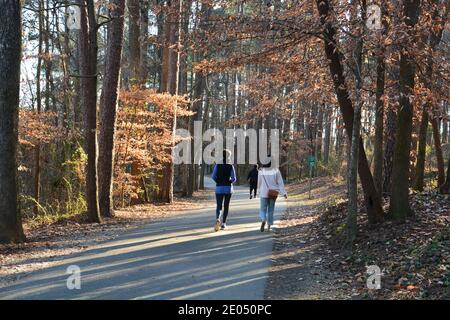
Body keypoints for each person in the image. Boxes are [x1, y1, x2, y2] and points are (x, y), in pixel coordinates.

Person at [257, 159, 287, 232]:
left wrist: (259, 191)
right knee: (271, 210)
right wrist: (284, 193)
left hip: (264, 193)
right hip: (273, 193)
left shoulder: (261, 171)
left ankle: (263, 219)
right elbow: (280, 183)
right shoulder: (276, 170)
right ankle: (269, 226)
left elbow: (259, 182)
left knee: (263, 209)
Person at [212, 150, 236, 231]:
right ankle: (223, 224)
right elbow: (234, 178)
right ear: (229, 156)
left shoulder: (217, 165)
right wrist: (229, 181)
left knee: (219, 206)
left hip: (219, 188)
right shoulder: (230, 166)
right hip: (228, 188)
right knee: (226, 206)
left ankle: (218, 218)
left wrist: (218, 181)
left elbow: (213, 176)